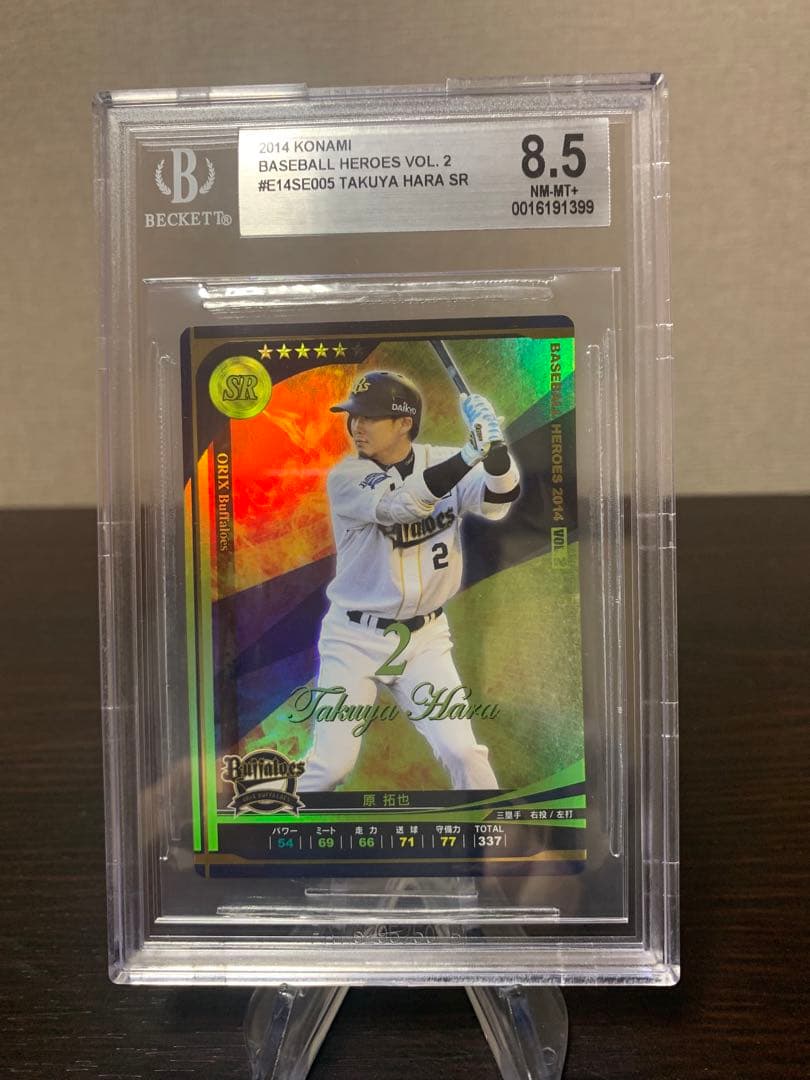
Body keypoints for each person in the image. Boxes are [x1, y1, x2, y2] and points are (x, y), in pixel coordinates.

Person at [297, 370, 520, 792]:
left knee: (463, 751)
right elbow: (402, 506)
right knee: (331, 767)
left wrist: (496, 449)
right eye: (354, 416)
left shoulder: (443, 460)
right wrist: (469, 455)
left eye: (370, 417)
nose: (356, 426)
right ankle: (271, 821)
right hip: (354, 638)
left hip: (425, 639)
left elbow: (499, 499)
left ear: (404, 422)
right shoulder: (347, 477)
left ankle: (495, 827)